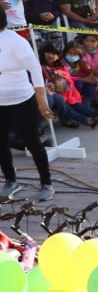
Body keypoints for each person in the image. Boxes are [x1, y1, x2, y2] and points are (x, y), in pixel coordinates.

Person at [0, 10, 55, 201]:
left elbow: (35, 69)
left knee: (32, 142)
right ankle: (10, 180)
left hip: (22, 99)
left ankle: (46, 183)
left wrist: (41, 101)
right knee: (0, 142)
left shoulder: (16, 41)